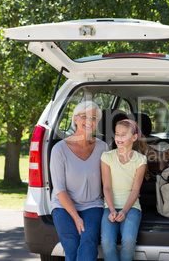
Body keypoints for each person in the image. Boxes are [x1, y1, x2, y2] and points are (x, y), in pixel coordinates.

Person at [50, 101, 108, 261]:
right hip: (63, 206)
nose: (89, 121)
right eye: (84, 116)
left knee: (88, 240)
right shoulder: (59, 149)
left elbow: (109, 182)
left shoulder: (103, 148)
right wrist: (76, 217)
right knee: (72, 245)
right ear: (75, 119)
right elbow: (60, 190)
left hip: (92, 205)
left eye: (94, 118)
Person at [100, 119, 148, 261]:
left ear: (134, 138)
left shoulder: (140, 159)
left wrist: (124, 211)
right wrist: (112, 209)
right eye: (117, 134)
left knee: (129, 241)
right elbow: (107, 187)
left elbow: (135, 190)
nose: (119, 138)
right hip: (110, 206)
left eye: (123, 135)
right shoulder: (107, 156)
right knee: (107, 242)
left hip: (131, 207)